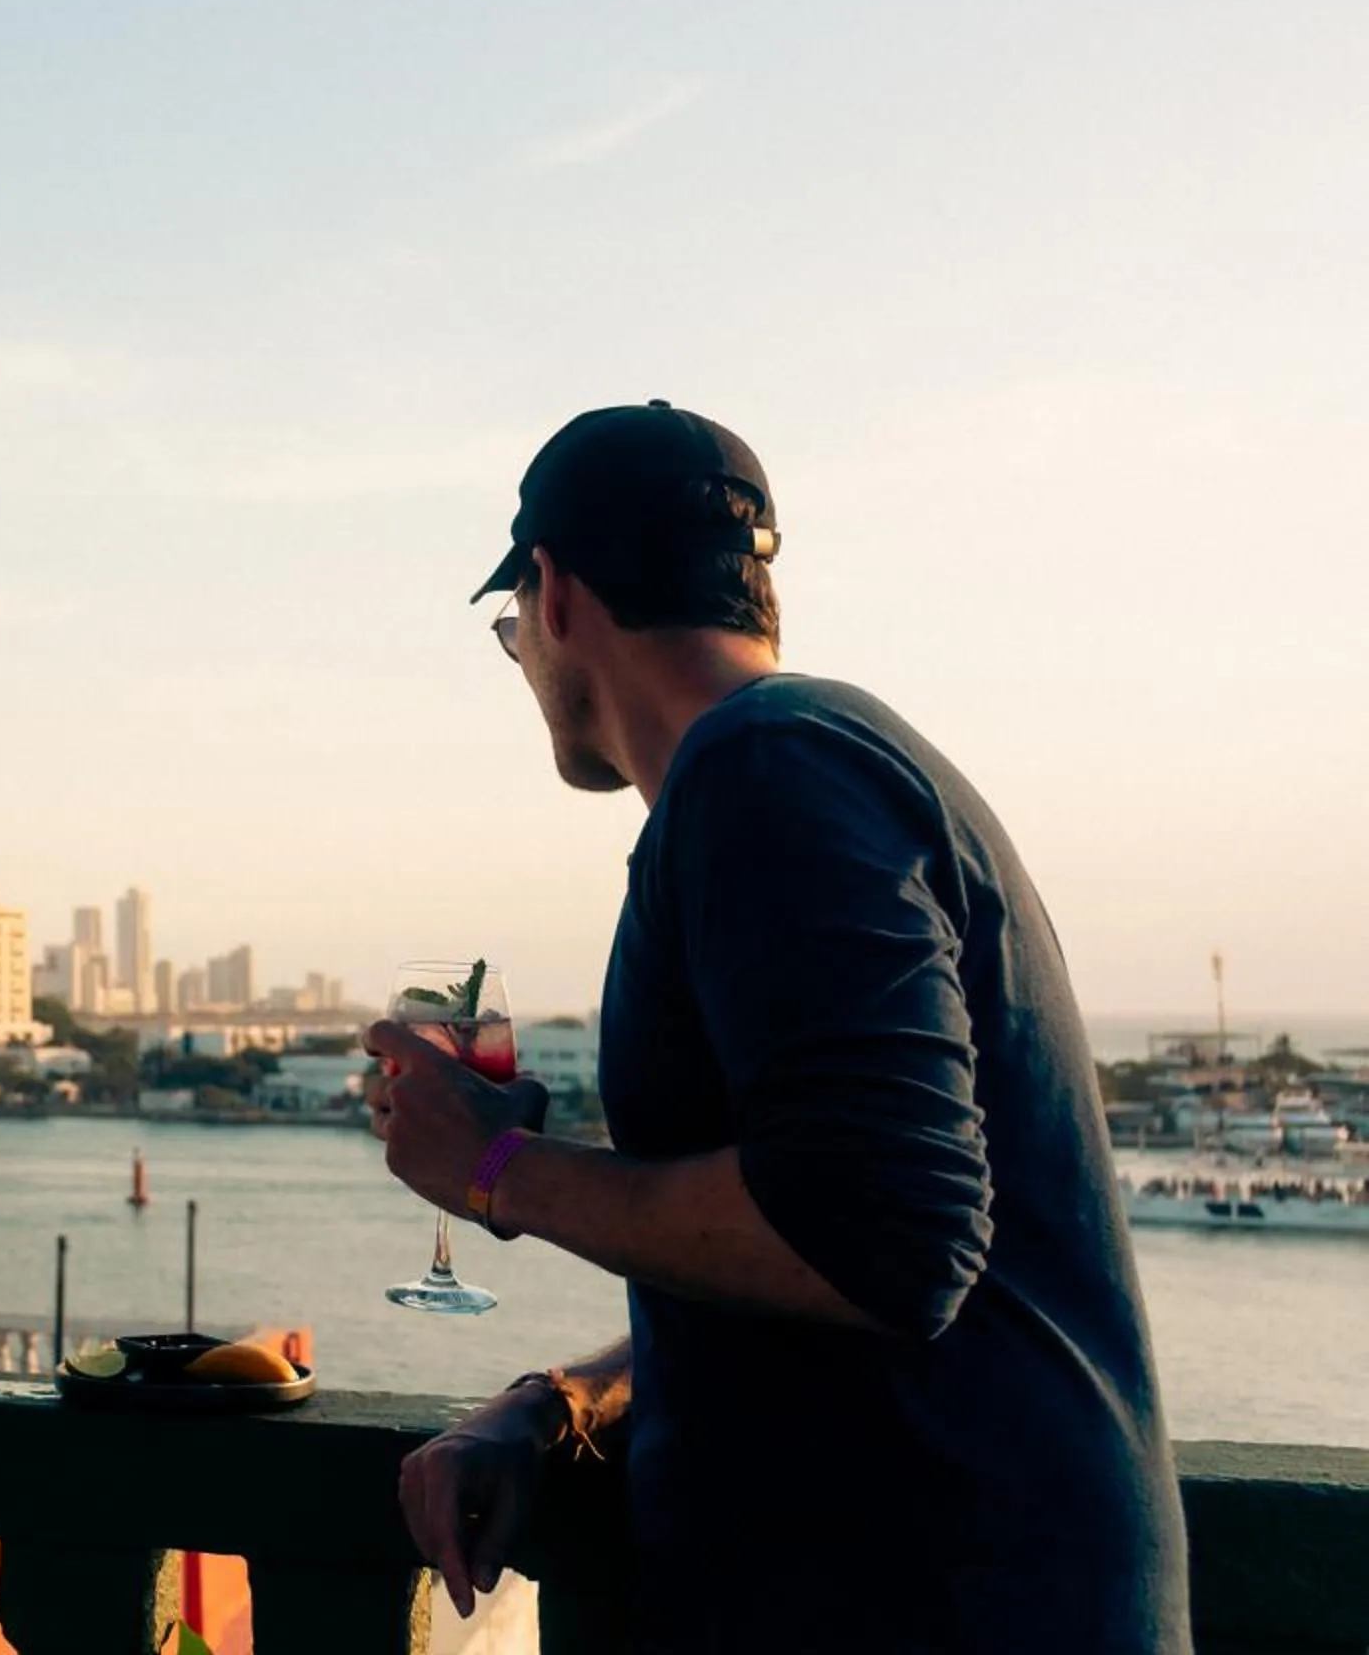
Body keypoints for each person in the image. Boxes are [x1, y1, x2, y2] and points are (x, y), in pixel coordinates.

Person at [371, 403, 1185, 1654]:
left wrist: (497, 1169)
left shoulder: (767, 774)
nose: (522, 653)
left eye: (511, 625)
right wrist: (566, 1399)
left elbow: (885, 1236)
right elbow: (812, 1241)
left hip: (944, 1610)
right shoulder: (810, 761)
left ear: (555, 591)